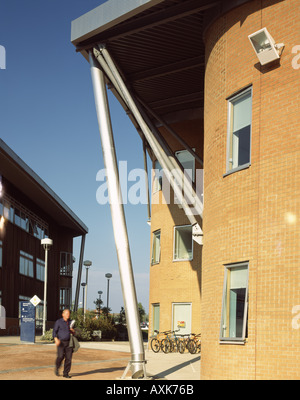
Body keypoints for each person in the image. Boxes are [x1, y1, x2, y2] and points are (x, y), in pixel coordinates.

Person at [53, 309, 75, 378]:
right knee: (60, 356)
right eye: (66, 313)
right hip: (61, 342)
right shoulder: (58, 322)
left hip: (69, 343)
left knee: (68, 359)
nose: (68, 315)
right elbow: (54, 331)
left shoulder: (71, 322)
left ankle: (66, 373)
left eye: (68, 313)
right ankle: (57, 367)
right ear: (63, 314)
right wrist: (56, 339)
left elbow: (75, 333)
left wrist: (73, 331)